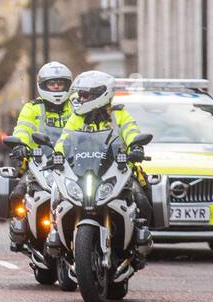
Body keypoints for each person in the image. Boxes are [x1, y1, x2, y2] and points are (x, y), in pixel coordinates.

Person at [53, 70, 152, 238]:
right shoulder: (77, 118)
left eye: (84, 95)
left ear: (100, 94)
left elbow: (131, 131)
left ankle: (140, 236)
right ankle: (56, 235)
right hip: (84, 171)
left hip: (116, 170)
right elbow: (64, 139)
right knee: (57, 196)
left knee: (141, 198)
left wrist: (136, 147)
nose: (80, 99)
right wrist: (57, 155)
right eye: (80, 95)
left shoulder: (118, 114)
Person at [7, 61, 74, 249]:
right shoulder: (32, 108)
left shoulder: (76, 108)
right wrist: (20, 145)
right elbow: (23, 129)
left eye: (60, 84)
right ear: (43, 86)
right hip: (40, 163)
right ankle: (20, 225)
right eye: (52, 84)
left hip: (71, 164)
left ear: (68, 85)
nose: (56, 87)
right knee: (18, 193)